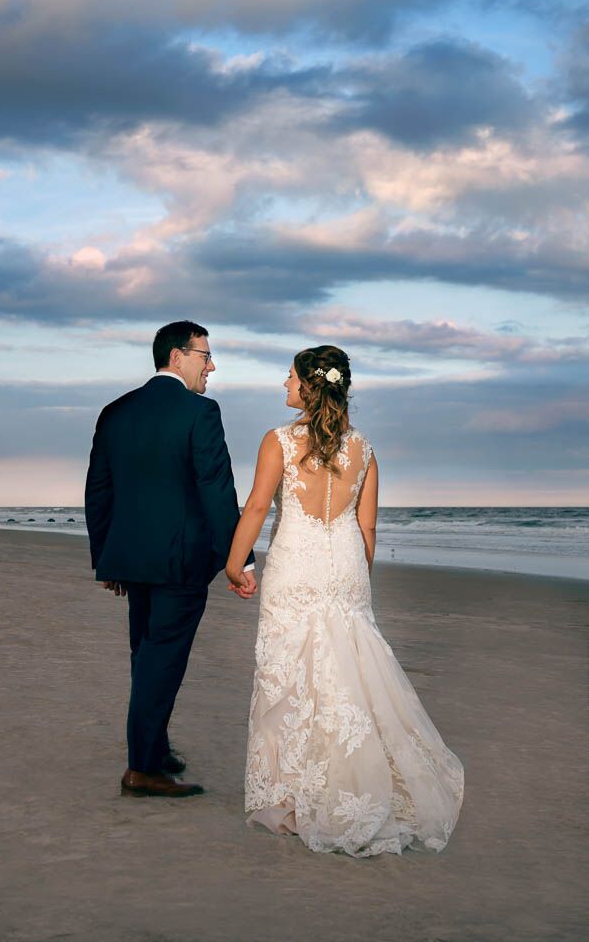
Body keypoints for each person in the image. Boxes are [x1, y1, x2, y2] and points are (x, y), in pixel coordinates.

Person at [225, 345, 464, 856]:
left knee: (289, 674)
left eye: (289, 377)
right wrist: (357, 575)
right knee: (349, 674)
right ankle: (343, 787)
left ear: (310, 386)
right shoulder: (365, 448)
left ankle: (291, 799)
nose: (282, 385)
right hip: (346, 565)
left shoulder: (279, 441)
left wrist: (235, 561)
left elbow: (258, 505)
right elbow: (368, 526)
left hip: (295, 564)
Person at [85, 320, 256, 798]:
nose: (212, 365)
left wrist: (108, 558)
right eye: (206, 355)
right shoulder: (199, 411)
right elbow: (217, 490)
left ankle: (154, 750)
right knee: (162, 660)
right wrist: (238, 560)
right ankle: (142, 769)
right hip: (180, 562)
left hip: (132, 559)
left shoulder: (116, 411)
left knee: (147, 654)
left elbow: (99, 489)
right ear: (177, 357)